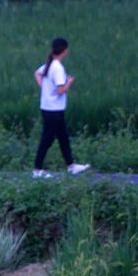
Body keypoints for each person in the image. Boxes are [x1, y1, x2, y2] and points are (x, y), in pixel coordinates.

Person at [32, 37, 90, 178]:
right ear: (64, 50)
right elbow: (60, 91)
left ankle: (71, 166)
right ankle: (37, 170)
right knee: (47, 139)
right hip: (53, 110)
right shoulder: (57, 67)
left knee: (63, 137)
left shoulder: (50, 64)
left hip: (50, 108)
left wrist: (45, 89)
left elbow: (37, 73)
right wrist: (69, 82)